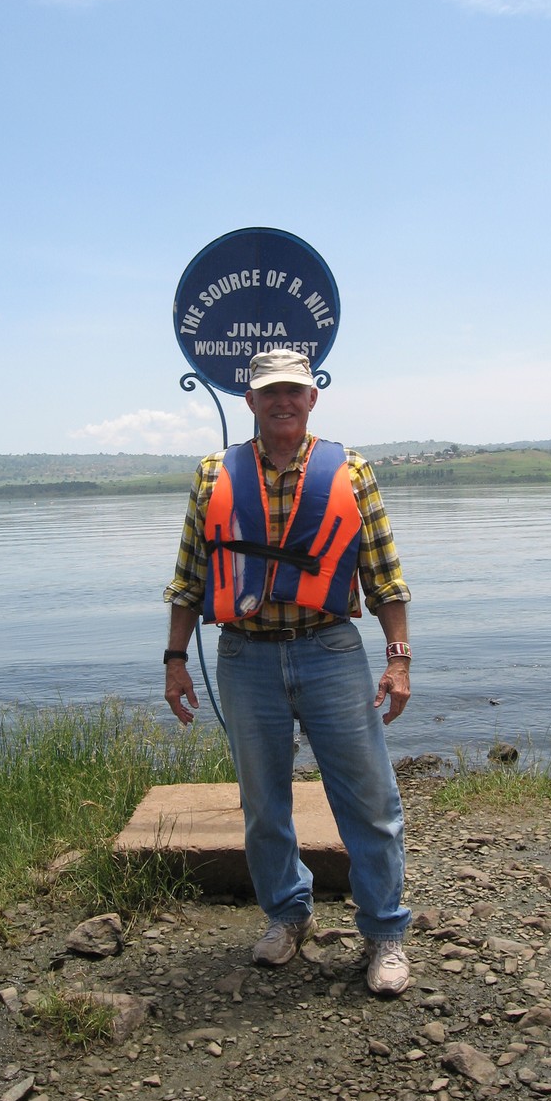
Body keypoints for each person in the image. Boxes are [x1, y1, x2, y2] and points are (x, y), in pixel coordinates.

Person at [163, 348, 412, 995]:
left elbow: (384, 576)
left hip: (330, 652)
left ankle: (384, 931)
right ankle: (286, 914)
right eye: (270, 391)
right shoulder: (213, 473)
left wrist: (398, 660)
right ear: (250, 400)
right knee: (263, 804)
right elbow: (189, 578)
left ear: (311, 398)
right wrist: (174, 660)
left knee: (370, 801)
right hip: (244, 658)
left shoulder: (352, 470)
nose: (282, 401)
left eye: (293, 391)